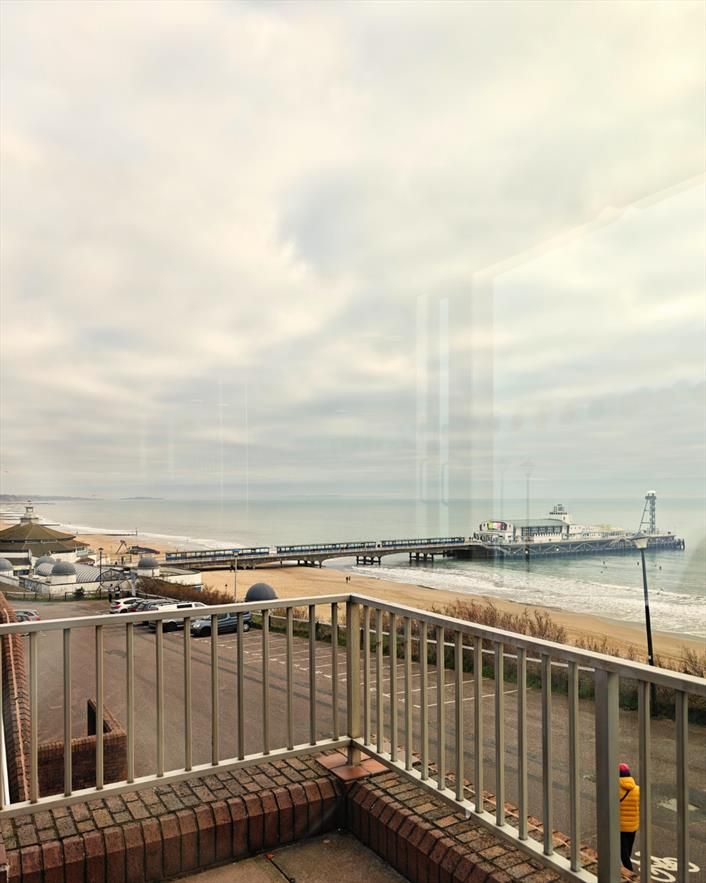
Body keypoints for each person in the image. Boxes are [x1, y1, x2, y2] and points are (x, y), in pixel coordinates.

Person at [619, 762, 640, 872]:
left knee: (623, 854)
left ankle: (630, 873)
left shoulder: (615, 790)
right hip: (633, 826)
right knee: (628, 850)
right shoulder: (637, 789)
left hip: (620, 827)